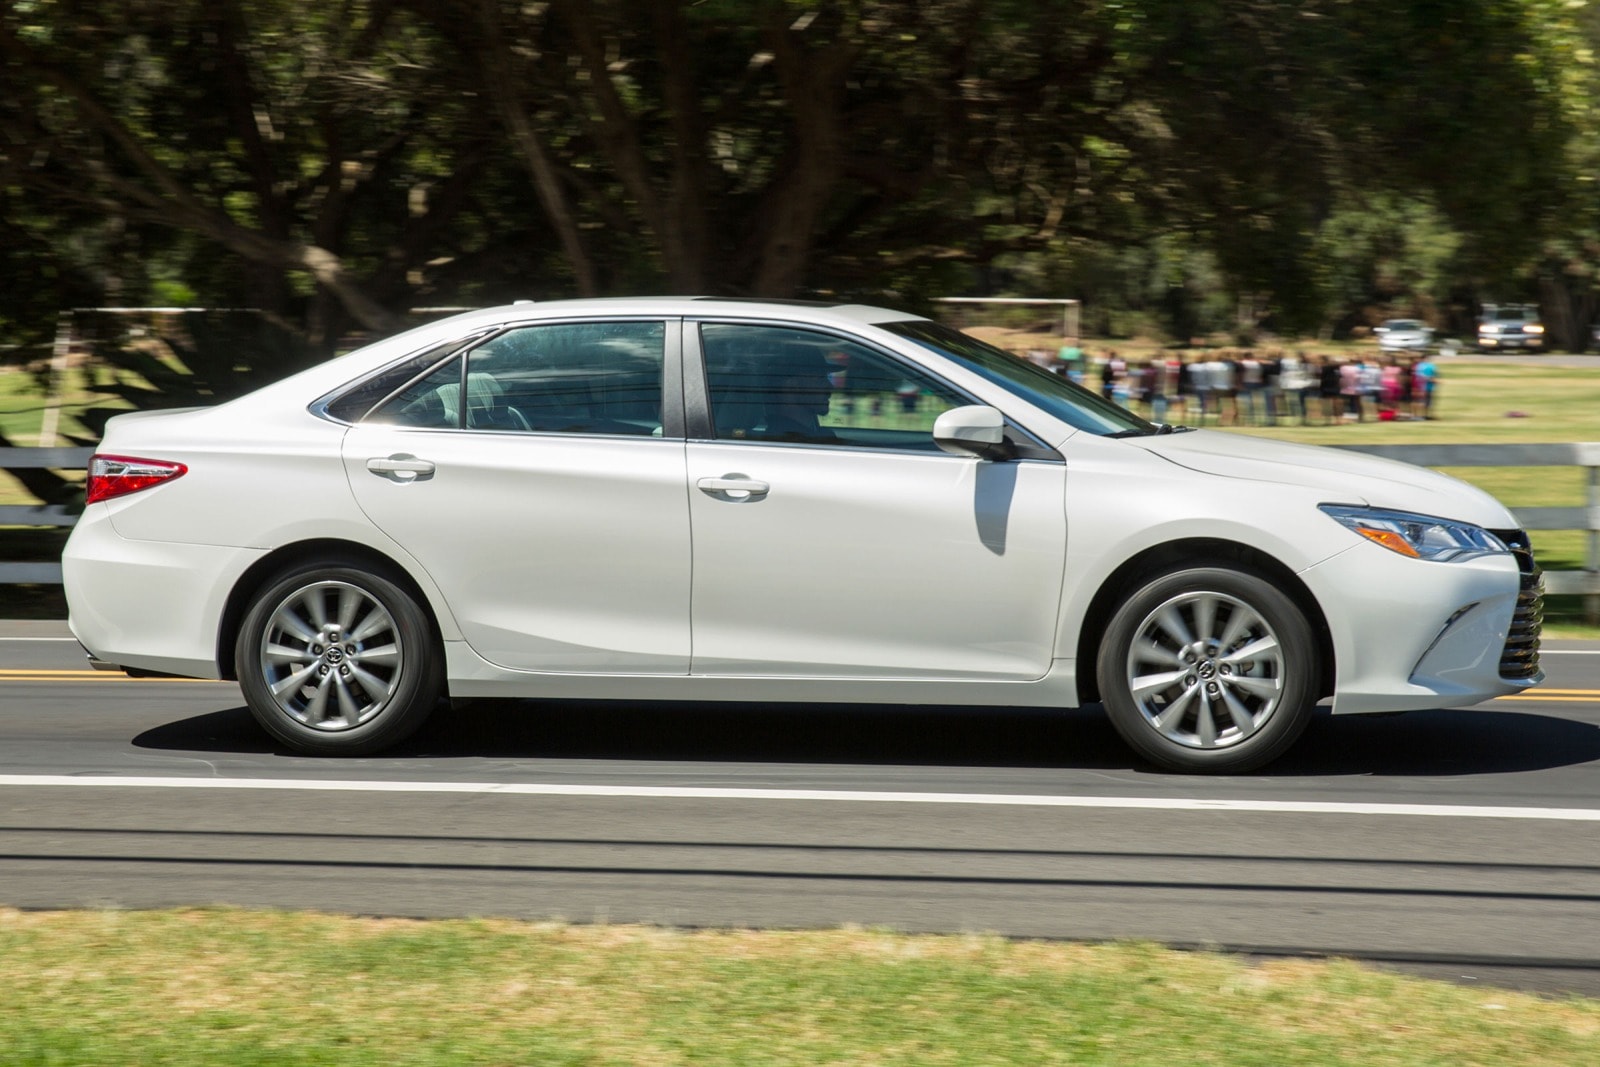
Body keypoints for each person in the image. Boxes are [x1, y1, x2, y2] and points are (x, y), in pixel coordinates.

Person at [759, 346, 840, 443]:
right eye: (820, 378)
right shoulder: (786, 442)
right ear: (793, 385)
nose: (830, 387)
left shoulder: (813, 436)